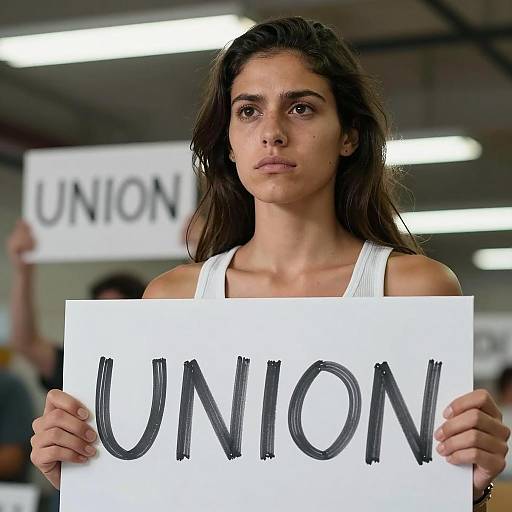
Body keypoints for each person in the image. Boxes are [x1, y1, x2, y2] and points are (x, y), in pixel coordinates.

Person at [29, 17, 509, 510]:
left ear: (349, 136)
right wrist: (89, 476)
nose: (272, 133)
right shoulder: (173, 298)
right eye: (249, 111)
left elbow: (425, 487)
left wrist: (470, 488)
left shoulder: (414, 289)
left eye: (301, 108)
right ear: (230, 143)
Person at [6, 219, 147, 390]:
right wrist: (23, 272)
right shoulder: (79, 367)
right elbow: (26, 343)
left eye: (118, 312)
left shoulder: (160, 368)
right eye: (101, 312)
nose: (108, 322)